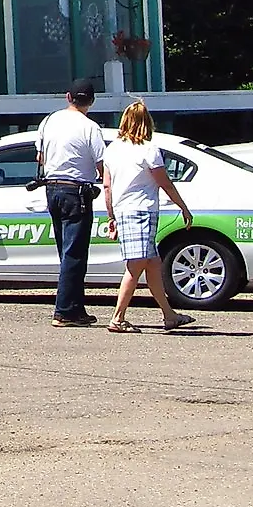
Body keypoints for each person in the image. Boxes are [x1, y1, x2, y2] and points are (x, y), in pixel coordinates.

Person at [102, 100, 196, 333]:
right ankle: (117, 318)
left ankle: (169, 315)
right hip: (141, 211)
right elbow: (165, 182)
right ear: (147, 123)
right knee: (136, 266)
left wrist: (111, 216)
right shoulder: (148, 150)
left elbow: (107, 186)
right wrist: (183, 207)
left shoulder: (112, 149)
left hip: (124, 210)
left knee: (153, 264)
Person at [37, 79, 107, 328]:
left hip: (52, 188)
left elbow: (40, 156)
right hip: (76, 191)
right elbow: (102, 164)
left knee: (66, 252)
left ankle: (76, 308)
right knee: (75, 253)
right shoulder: (90, 127)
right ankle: (64, 310)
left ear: (68, 97)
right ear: (91, 101)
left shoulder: (49, 121)